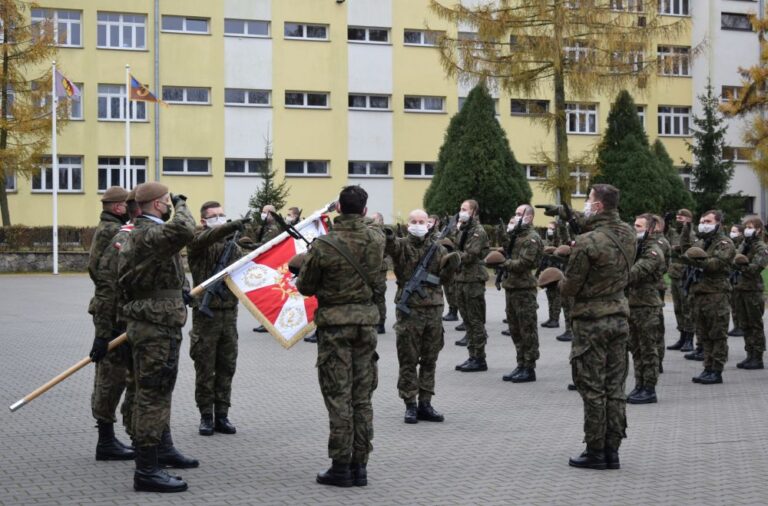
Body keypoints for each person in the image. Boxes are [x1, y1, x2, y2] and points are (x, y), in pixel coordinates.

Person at [295, 185, 385, 488]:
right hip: (366, 326)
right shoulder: (377, 238)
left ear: (339, 208)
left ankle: (341, 465)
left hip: (335, 328)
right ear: (363, 210)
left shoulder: (324, 245)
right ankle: (361, 465)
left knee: (339, 398)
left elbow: (306, 287)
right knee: (362, 398)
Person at [118, 182, 198, 493]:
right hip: (156, 326)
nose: (170, 205)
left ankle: (160, 450)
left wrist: (177, 292)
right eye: (166, 201)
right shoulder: (149, 232)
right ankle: (147, 471)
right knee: (153, 395)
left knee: (153, 392)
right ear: (156, 204)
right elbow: (186, 228)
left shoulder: (143, 233)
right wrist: (182, 201)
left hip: (153, 319)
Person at [561, 184, 635, 470]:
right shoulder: (628, 233)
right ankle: (612, 450)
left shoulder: (588, 241)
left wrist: (558, 278)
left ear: (600, 206)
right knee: (615, 387)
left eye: (589, 199)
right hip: (619, 317)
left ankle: (595, 451)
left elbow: (571, 286)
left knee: (592, 389)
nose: (586, 204)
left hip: (591, 323)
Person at [386, 209, 459, 424]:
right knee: (408, 359)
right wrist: (388, 234)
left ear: (429, 224)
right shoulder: (401, 245)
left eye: (422, 221)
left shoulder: (437, 248)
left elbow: (444, 279)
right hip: (409, 311)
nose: (418, 224)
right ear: (408, 224)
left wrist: (452, 266)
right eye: (414, 221)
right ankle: (410, 403)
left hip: (433, 309)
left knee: (430, 359)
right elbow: (390, 245)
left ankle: (425, 403)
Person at [187, 201, 252, 436]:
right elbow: (205, 238)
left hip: (229, 313)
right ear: (203, 221)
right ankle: (206, 416)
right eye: (214, 216)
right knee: (205, 367)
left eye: (223, 215)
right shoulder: (198, 241)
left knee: (226, 367)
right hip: (206, 314)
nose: (220, 218)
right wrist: (228, 228)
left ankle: (222, 415)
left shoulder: (232, 245)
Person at [87, 185, 134, 461]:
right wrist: (103, 333)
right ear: (118, 207)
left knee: (117, 377)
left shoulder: (112, 227)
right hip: (112, 315)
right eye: (128, 204)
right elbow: (104, 280)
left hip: (115, 312)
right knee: (110, 379)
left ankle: (111, 438)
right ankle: (105, 441)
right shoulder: (111, 231)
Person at [680, 210, 736, 385]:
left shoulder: (725, 243)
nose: (704, 223)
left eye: (708, 221)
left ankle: (716, 370)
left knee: (717, 334)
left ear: (718, 223)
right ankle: (707, 367)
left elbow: (714, 264)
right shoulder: (703, 241)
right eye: (702, 220)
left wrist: (691, 260)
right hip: (700, 294)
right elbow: (686, 250)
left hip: (716, 295)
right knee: (704, 335)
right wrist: (686, 227)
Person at [500, 205, 543, 383]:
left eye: (520, 214)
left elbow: (525, 263)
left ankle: (529, 367)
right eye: (515, 213)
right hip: (512, 287)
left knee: (527, 329)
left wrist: (504, 263)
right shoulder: (516, 236)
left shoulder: (532, 238)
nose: (516, 216)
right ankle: (520, 363)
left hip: (524, 289)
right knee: (515, 329)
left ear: (530, 217)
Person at [627, 214, 665, 404]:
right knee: (636, 348)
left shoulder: (653, 252)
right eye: (634, 225)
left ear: (650, 229)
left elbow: (635, 273)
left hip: (647, 306)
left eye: (639, 226)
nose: (635, 229)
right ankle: (639, 384)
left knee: (648, 349)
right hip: (632, 305)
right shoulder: (635, 249)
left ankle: (649, 388)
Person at [454, 199, 490, 372]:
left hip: (474, 279)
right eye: (460, 209)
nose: (461, 212)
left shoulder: (477, 232)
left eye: (465, 209)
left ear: (474, 212)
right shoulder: (464, 230)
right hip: (462, 279)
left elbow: (470, 255)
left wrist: (451, 256)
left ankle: (479, 357)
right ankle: (472, 355)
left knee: (475, 320)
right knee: (467, 320)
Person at [732, 216, 768, 369]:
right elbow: (734, 260)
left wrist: (740, 266)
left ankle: (757, 357)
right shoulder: (744, 245)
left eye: (750, 227)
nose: (747, 230)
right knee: (744, 324)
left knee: (755, 325)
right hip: (740, 288)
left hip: (752, 290)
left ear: (758, 229)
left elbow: (754, 269)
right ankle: (749, 354)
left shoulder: (761, 247)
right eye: (746, 227)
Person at [666, 209, 696, 352]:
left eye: (682, 216)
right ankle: (682, 336)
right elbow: (664, 234)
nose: (678, 218)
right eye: (677, 216)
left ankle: (690, 339)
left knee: (687, 308)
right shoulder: (673, 232)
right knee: (678, 308)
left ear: (689, 219)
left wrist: (678, 249)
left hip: (685, 276)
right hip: (674, 275)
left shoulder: (692, 234)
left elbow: (691, 252)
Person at [251, 204, 283, 332]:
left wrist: (248, 245)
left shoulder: (273, 229)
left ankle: (268, 323)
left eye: (265, 212)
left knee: (270, 296)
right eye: (262, 212)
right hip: (268, 265)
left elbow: (264, 246)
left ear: (271, 214)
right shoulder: (267, 227)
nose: (262, 214)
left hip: (271, 266)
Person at [650, 215, 671, 373]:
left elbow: (660, 267)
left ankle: (658, 359)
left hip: (655, 287)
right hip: (648, 288)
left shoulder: (660, 243)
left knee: (655, 326)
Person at [541, 220, 561, 329]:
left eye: (552, 229)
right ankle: (551, 317)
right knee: (550, 295)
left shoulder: (558, 242)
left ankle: (555, 319)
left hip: (557, 272)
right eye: (548, 228)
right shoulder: (548, 242)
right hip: (549, 270)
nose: (549, 231)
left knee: (556, 297)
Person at [370, 212, 388, 334]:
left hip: (380, 268)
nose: (371, 221)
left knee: (379, 296)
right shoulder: (370, 232)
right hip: (369, 268)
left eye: (374, 219)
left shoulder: (384, 232)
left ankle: (381, 323)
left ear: (380, 220)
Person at [728, 224, 745, 337]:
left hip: (740, 277)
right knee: (733, 303)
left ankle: (741, 326)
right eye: (731, 231)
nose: (732, 233)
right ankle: (736, 326)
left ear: (740, 233)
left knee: (739, 303)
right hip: (732, 276)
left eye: (734, 231)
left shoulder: (743, 244)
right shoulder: (731, 243)